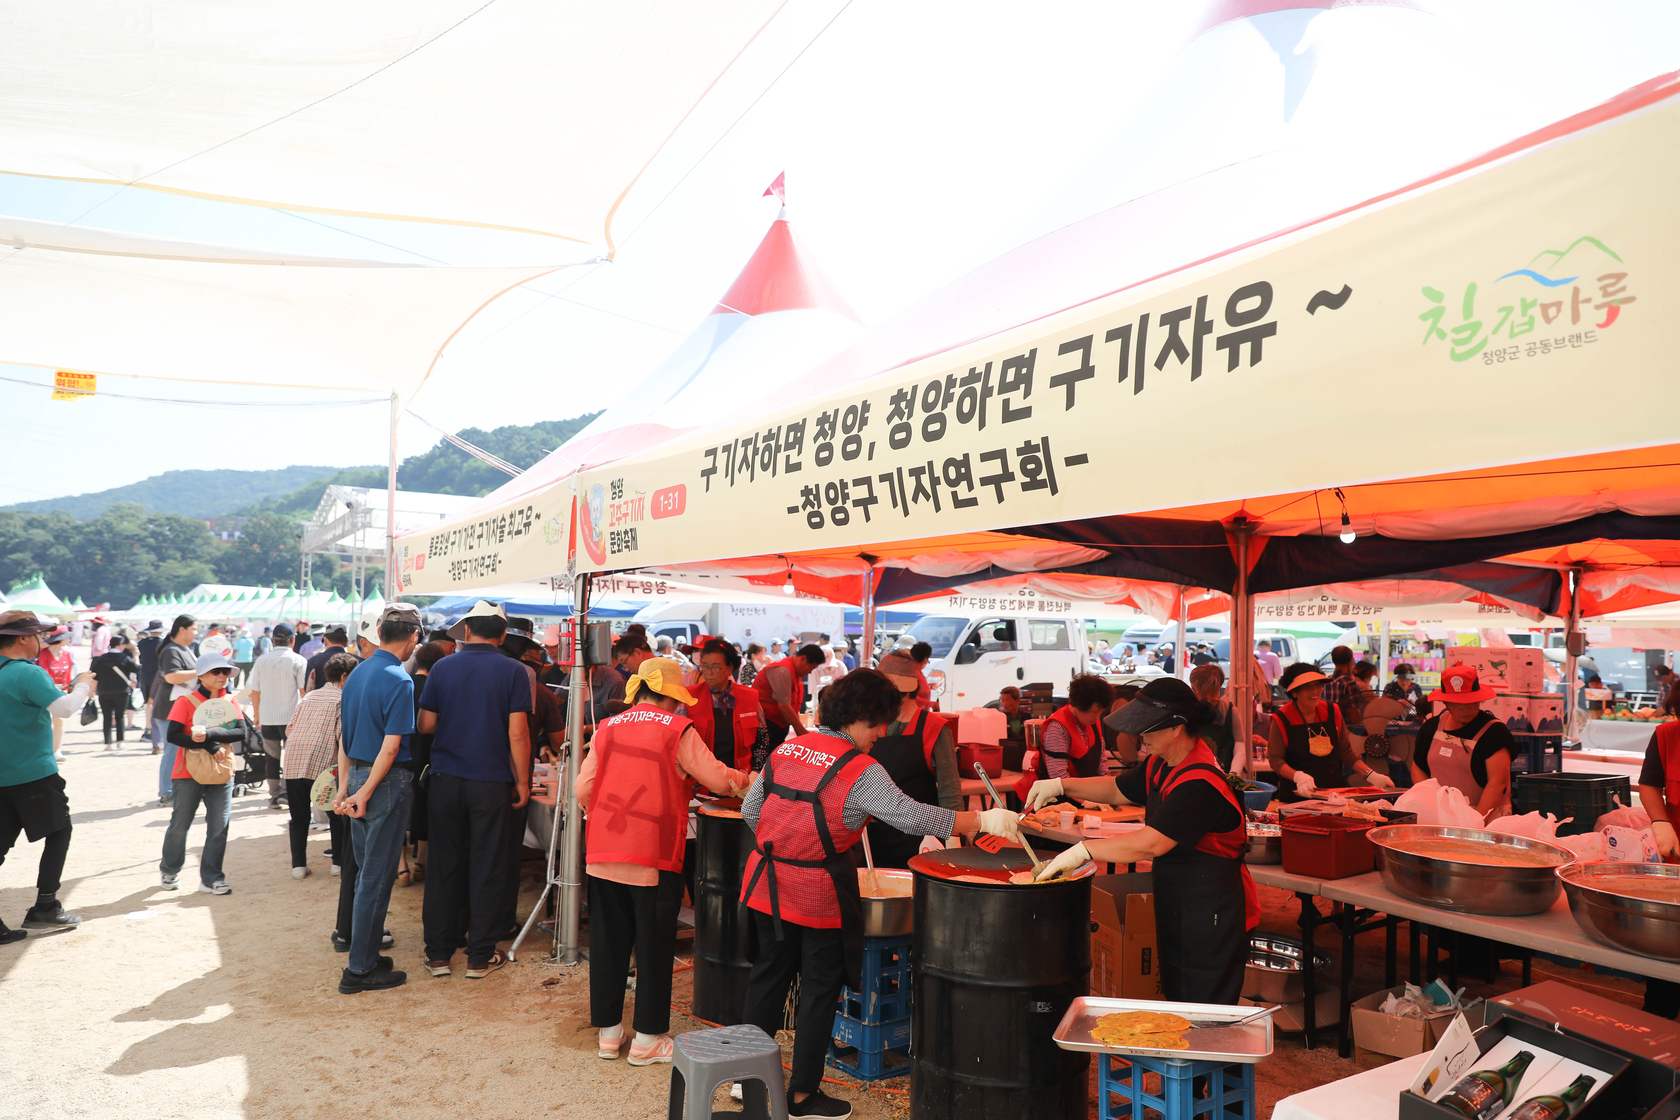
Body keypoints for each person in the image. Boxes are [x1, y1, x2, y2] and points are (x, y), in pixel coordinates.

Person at [739, 669, 1020, 1119]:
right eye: (877, 726)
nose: (880, 736)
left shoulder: (787, 747)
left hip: (765, 885)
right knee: (818, 990)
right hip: (819, 895)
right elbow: (908, 816)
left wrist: (789, 846)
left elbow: (752, 811)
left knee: (767, 979)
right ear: (860, 718)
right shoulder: (858, 768)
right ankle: (801, 1097)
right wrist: (981, 822)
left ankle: (746, 1081)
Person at [1028, 677, 1258, 1004]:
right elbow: (1116, 788)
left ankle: (1211, 1058)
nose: (1140, 736)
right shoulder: (1160, 763)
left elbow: (1153, 843)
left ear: (1176, 727)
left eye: (1147, 728)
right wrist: (1062, 785)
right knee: (1178, 994)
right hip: (1178, 899)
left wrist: (1085, 850)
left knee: (1207, 1008)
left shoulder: (1200, 780)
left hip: (1212, 910)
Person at [578, 658, 750, 1066]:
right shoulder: (677, 729)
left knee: (607, 943)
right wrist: (750, 782)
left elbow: (584, 786)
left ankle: (608, 1035)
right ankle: (647, 1040)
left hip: (602, 852)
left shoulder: (606, 728)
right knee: (653, 946)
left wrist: (601, 819)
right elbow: (716, 778)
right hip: (653, 855)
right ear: (671, 697)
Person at [415, 603, 531, 980]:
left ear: (466, 632)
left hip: (446, 778)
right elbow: (518, 733)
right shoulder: (514, 671)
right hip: (491, 782)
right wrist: (523, 780)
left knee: (443, 865)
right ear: (502, 635)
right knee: (488, 864)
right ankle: (479, 956)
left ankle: (437, 954)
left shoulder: (443, 667)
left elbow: (426, 723)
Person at [334, 602, 424, 994]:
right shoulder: (399, 679)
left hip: (357, 776)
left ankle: (364, 955)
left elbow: (344, 739)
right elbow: (390, 749)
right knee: (375, 876)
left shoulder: (356, 674)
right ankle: (360, 969)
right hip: (382, 782)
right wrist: (366, 791)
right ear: (414, 637)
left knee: (366, 875)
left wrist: (346, 788)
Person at [0, 610, 93, 940]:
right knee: (59, 832)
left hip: (3, 775)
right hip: (32, 773)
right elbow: (66, 709)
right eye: (38, 634)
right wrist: (83, 686)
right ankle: (46, 905)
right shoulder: (28, 673)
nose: (42, 640)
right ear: (24, 638)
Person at [160, 650, 249, 895]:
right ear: (202, 675)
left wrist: (209, 736)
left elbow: (241, 732)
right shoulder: (185, 702)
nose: (222, 676)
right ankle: (170, 869)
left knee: (219, 824)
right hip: (187, 771)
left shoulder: (231, 701)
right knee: (180, 823)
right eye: (216, 672)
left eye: (226, 672)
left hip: (221, 770)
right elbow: (173, 735)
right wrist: (208, 744)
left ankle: (211, 877)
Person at [869, 652, 963, 867]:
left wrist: (954, 839)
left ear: (901, 693)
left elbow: (950, 790)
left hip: (923, 839)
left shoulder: (935, 727)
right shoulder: (873, 724)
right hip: (875, 836)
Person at [282, 652, 356, 879]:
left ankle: (298, 866)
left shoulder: (309, 697)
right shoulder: (343, 699)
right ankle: (337, 863)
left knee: (298, 817)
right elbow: (341, 736)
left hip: (293, 761)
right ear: (344, 677)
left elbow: (289, 729)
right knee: (335, 814)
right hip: (324, 764)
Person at [1269, 663, 1393, 797]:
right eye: (1307, 687)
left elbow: (1346, 753)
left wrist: (1371, 775)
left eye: (1317, 685)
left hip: (1334, 794)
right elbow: (1276, 760)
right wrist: (1297, 776)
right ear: (1294, 692)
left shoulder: (1332, 711)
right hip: (1297, 794)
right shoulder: (1281, 718)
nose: (1315, 691)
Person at [1410, 665, 1515, 820]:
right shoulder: (1431, 727)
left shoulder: (1495, 732)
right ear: (1445, 703)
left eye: (1470, 702)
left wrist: (1475, 822)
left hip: (1486, 817)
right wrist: (1431, 804)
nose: (1465, 709)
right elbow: (1418, 767)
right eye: (1457, 704)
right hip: (1441, 815)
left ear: (1479, 700)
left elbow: (1497, 782)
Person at [1637, 712, 1680, 1017]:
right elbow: (1649, 784)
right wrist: (1661, 821)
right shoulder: (1667, 735)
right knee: (1668, 948)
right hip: (1676, 856)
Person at [1013, 674, 1115, 802]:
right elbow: (1059, 778)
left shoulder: (1093, 722)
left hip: (1087, 795)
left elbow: (1101, 761)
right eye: (1094, 711)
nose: (1098, 716)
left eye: (1101, 711)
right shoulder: (1057, 728)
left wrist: (1107, 787)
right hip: (1057, 800)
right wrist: (1088, 801)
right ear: (1080, 705)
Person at [247, 622, 307, 808]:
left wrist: (256, 714)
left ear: (273, 640)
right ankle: (287, 793)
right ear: (293, 640)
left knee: (271, 758)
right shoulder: (298, 660)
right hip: (292, 718)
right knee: (291, 758)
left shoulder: (261, 660)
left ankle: (274, 796)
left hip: (268, 717)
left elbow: (254, 691)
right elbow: (304, 691)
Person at [688, 638, 770, 772]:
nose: (709, 673)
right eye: (705, 666)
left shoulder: (750, 697)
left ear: (730, 668)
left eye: (716, 667)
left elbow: (762, 741)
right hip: (701, 780)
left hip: (742, 779)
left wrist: (755, 773)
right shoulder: (689, 697)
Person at [152, 615, 200, 805]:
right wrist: (201, 672)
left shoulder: (183, 649)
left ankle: (176, 790)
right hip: (170, 710)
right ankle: (167, 792)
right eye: (194, 629)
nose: (196, 633)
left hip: (181, 708)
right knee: (172, 751)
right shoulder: (172, 650)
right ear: (182, 629)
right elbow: (172, 677)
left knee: (180, 751)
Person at [752, 643, 824, 754]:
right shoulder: (783, 670)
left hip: (778, 726)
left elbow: (792, 706)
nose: (810, 672)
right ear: (803, 659)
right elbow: (784, 706)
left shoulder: (795, 672)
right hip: (766, 726)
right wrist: (802, 733)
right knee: (766, 763)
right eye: (812, 667)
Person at [91, 634, 141, 750]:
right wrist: (136, 656)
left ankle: (108, 743)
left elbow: (94, 676)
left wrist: (92, 692)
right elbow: (137, 669)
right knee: (120, 716)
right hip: (121, 691)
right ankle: (120, 741)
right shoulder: (125, 658)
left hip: (103, 691)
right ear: (120, 645)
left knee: (107, 717)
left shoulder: (100, 659)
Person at [35, 629, 75, 762]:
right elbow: (42, 673)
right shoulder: (43, 654)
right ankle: (46, 749)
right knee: (47, 721)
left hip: (61, 690)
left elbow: (69, 673)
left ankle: (57, 749)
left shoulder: (66, 654)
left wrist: (70, 689)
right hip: (47, 689)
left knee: (59, 720)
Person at [1189, 664, 1238, 772]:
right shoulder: (1186, 710)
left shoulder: (1229, 711)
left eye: (1213, 694)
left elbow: (1240, 743)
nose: (1209, 700)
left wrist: (1234, 773)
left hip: (1223, 772)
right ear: (1193, 689)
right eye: (1203, 695)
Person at [1320, 645, 1362, 729]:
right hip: (1348, 730)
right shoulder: (1349, 682)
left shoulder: (1328, 681)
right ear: (1351, 661)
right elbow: (1354, 712)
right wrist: (1361, 730)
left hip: (1332, 727)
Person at [303, 625, 351, 692]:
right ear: (346, 642)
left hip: (319, 701)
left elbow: (308, 688)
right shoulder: (356, 661)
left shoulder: (314, 661)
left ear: (325, 640)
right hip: (348, 702)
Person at [137, 620, 164, 737]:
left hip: (145, 675)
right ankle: (156, 731)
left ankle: (147, 729)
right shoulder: (163, 643)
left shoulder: (142, 643)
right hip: (158, 677)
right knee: (158, 704)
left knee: (148, 703)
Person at [908, 641, 934, 709]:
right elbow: (909, 697)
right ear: (925, 660)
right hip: (915, 715)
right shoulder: (913, 673)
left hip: (921, 714)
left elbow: (917, 689)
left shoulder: (917, 671)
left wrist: (928, 687)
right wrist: (931, 704)